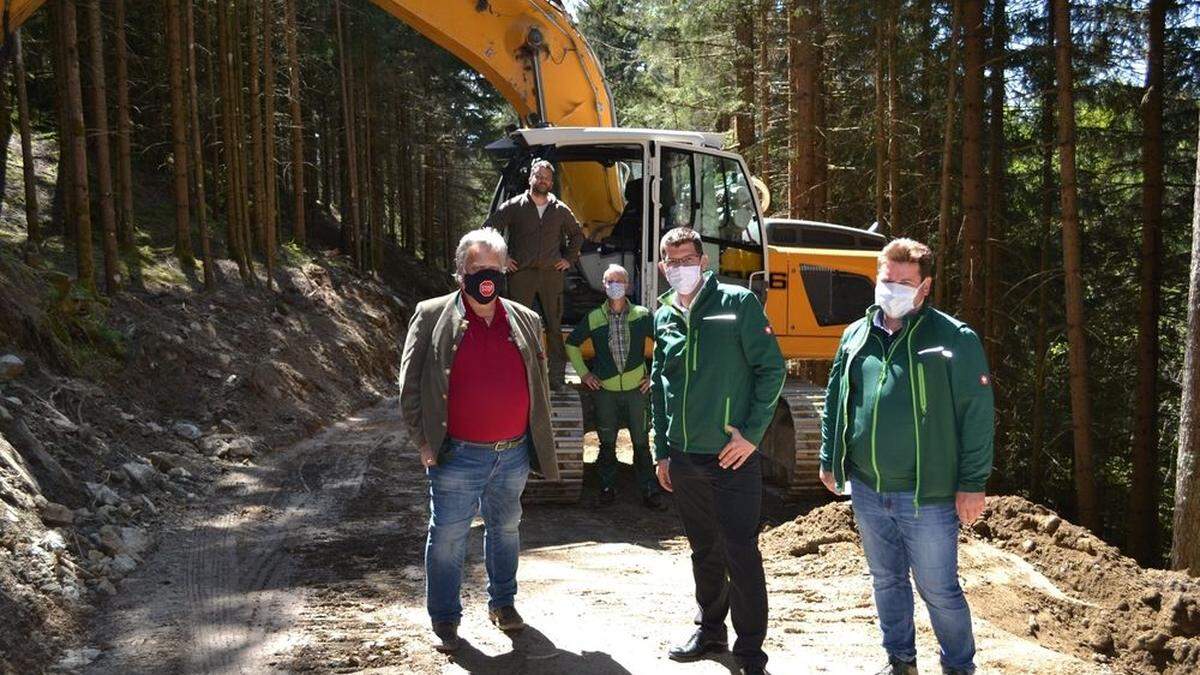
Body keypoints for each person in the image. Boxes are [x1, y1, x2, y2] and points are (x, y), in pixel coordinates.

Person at [818, 238, 993, 675]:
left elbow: (977, 415)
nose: (892, 288)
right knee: (887, 581)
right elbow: (837, 397)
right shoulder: (855, 335)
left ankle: (958, 667)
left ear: (925, 285)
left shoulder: (953, 338)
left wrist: (972, 484)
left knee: (939, 589)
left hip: (928, 496)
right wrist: (829, 458)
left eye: (904, 281)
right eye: (886, 279)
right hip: (869, 490)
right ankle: (900, 660)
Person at [398, 227, 559, 653]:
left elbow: (538, 384)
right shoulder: (431, 314)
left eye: (493, 267)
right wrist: (424, 443)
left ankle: (503, 603)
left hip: (513, 454)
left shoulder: (526, 319)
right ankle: (446, 617)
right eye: (475, 268)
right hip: (456, 456)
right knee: (449, 536)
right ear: (460, 272)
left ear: (506, 268)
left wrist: (535, 443)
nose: (485, 276)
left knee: (506, 530)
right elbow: (409, 387)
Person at [650, 227, 786, 675]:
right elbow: (660, 390)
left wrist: (751, 434)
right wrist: (662, 449)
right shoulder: (664, 314)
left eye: (687, 259)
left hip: (733, 456)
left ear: (703, 261)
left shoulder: (738, 304)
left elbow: (771, 369)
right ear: (663, 266)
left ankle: (749, 652)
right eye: (672, 261)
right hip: (685, 457)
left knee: (740, 550)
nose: (680, 268)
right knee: (703, 548)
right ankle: (710, 631)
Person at [565, 263, 665, 511]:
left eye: (619, 282)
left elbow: (664, 343)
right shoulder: (594, 317)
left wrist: (654, 373)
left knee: (641, 442)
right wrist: (585, 373)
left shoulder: (642, 315)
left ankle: (649, 490)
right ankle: (607, 488)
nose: (615, 286)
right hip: (605, 392)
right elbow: (572, 344)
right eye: (610, 282)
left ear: (628, 286)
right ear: (603, 285)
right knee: (606, 442)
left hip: (636, 391)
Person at [484, 159, 584, 388]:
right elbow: (488, 228)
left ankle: (556, 378)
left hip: (551, 275)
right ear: (530, 178)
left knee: (554, 327)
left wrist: (567, 259)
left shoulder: (559, 209)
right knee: (517, 324)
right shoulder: (514, 206)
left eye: (547, 178)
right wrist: (502, 259)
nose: (542, 181)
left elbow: (577, 235)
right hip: (522, 274)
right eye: (538, 176)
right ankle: (517, 374)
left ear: (551, 182)